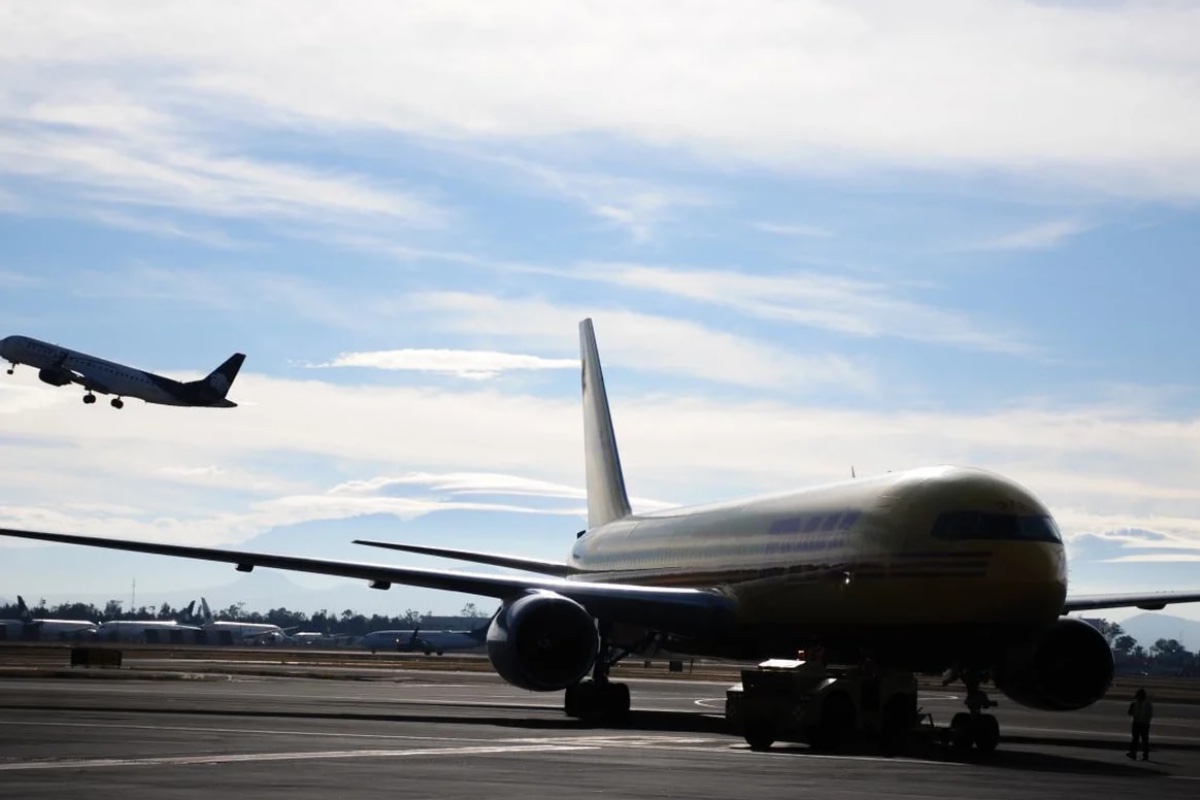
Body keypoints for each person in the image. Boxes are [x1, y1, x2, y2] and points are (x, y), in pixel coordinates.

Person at [1128, 688, 1154, 761]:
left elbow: (1149, 714)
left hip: (1143, 723)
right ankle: (1134, 753)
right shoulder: (1135, 703)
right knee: (1136, 739)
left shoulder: (1146, 704)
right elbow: (1130, 712)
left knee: (1143, 740)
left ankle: (1144, 755)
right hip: (1137, 722)